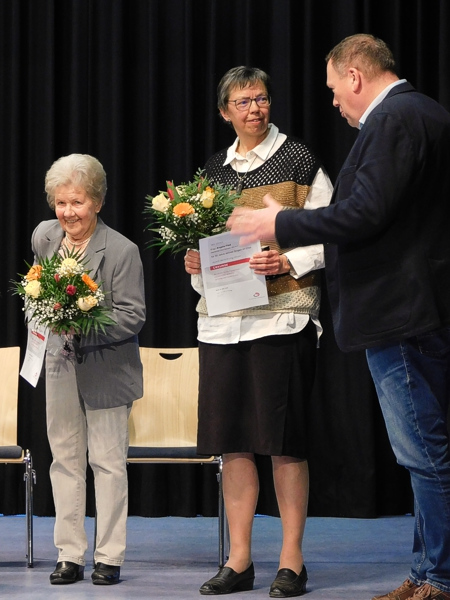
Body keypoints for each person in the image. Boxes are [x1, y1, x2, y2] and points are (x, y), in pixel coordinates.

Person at [228, 34, 450, 600]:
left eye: (333, 88)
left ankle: (438, 578)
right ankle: (426, 573)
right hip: (413, 307)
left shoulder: (394, 118)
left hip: (402, 312)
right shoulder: (420, 112)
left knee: (425, 454)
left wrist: (282, 224)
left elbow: (364, 212)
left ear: (355, 76)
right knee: (424, 454)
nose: (333, 101)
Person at [184, 66, 332, 597]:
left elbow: (332, 231)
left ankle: (292, 560)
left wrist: (288, 261)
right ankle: (240, 559)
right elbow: (206, 241)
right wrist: (196, 263)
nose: (255, 108)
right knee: (233, 445)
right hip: (223, 323)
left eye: (262, 98)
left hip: (282, 317)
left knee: (284, 442)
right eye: (244, 101)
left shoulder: (299, 159)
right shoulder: (213, 172)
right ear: (225, 112)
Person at [33, 154, 146, 585]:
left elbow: (133, 316)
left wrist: (81, 323)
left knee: (107, 463)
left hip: (107, 369)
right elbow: (37, 291)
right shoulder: (45, 237)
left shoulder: (121, 250)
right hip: (59, 367)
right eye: (61, 202)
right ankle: (69, 554)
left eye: (77, 202)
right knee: (64, 461)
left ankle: (109, 556)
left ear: (96, 202)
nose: (68, 212)